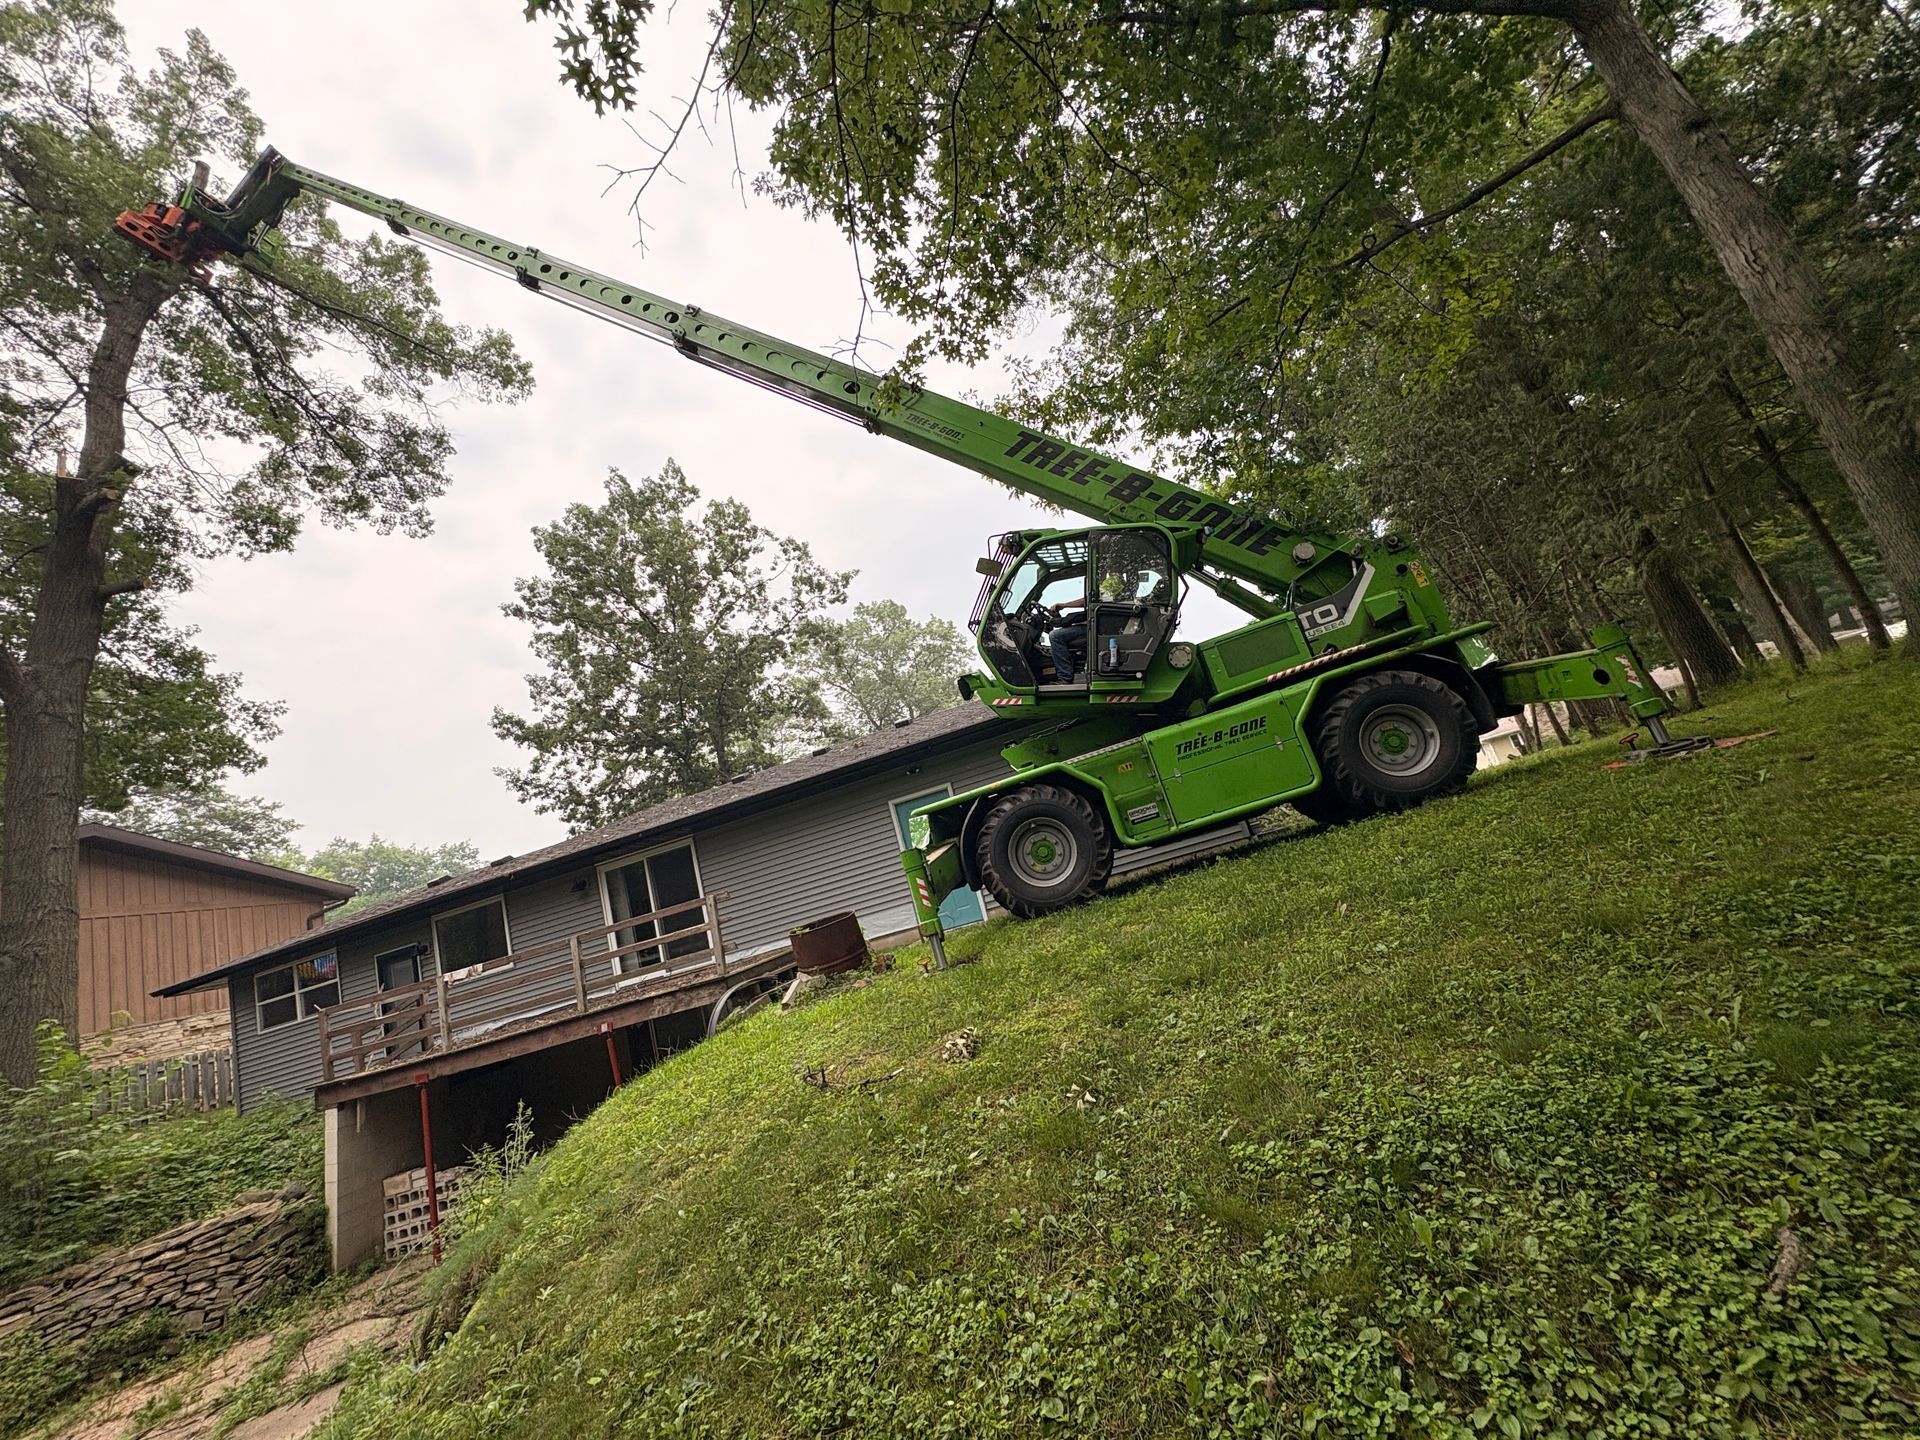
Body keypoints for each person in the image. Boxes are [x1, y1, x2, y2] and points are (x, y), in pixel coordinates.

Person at [1045, 595, 1087, 682]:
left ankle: (1065, 677)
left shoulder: (1101, 593)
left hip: (1091, 626)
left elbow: (1085, 600)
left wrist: (1064, 605)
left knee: (1055, 636)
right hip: (1089, 624)